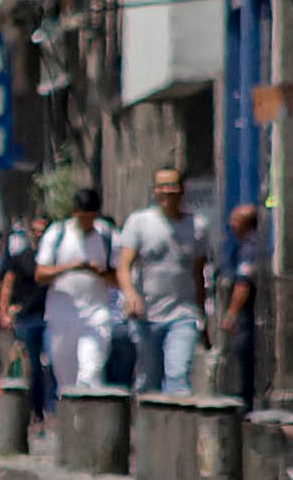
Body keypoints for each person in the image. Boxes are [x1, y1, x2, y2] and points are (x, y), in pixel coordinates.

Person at [115, 167, 211, 395]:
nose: (168, 191)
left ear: (182, 190)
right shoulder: (139, 222)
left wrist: (202, 316)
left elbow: (199, 274)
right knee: (149, 378)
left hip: (183, 314)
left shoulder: (197, 226)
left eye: (173, 185)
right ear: (155, 191)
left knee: (178, 374)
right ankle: (149, 418)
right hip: (147, 316)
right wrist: (131, 295)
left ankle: (179, 419)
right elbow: (124, 266)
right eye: (162, 186)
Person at [36, 189, 122, 391]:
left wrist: (100, 272)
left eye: (91, 218)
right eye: (83, 218)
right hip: (61, 318)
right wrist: (71, 267)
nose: (86, 223)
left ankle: (90, 411)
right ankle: (70, 411)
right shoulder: (57, 234)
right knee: (65, 380)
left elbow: (119, 280)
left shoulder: (107, 235)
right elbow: (40, 275)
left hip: (96, 316)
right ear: (74, 213)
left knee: (90, 374)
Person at [2, 216, 53, 422]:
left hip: (51, 317)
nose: (39, 234)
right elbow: (8, 283)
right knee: (32, 367)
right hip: (27, 318)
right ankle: (36, 410)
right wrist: (4, 312)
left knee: (53, 363)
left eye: (43, 230)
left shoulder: (55, 259)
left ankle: (52, 409)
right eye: (36, 230)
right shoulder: (21, 257)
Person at [220, 204, 264, 407]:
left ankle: (246, 406)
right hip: (247, 318)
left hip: (246, 319)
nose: (231, 225)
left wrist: (231, 314)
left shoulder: (248, 249)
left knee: (244, 363)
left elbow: (242, 285)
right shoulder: (247, 246)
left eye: (235, 220)